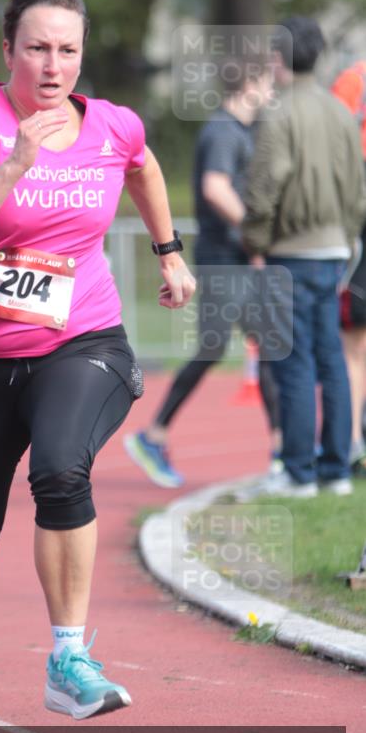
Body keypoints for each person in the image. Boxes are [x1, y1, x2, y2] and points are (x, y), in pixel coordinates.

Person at [0, 0, 196, 733]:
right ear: (7, 51)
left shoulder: (111, 124)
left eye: (66, 49)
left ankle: (68, 659)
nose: (52, 64)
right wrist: (14, 165)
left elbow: (141, 166)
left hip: (79, 339)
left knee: (61, 469)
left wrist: (167, 251)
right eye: (36, 47)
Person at [124, 58, 280, 487]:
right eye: (267, 82)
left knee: (268, 346)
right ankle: (153, 435)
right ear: (248, 83)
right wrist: (256, 234)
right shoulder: (222, 131)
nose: (272, 90)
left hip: (239, 259)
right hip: (222, 260)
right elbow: (215, 188)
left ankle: (284, 450)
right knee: (215, 349)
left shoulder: (243, 131)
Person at [241, 16, 366, 498]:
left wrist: (256, 240)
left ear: (278, 59)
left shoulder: (279, 112)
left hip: (291, 252)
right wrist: (348, 238)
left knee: (293, 362)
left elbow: (264, 186)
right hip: (335, 249)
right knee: (331, 358)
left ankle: (298, 472)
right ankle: (336, 468)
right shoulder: (341, 112)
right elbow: (357, 188)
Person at [331, 61, 366, 476]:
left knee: (354, 351)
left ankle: (353, 441)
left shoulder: (353, 77)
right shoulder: (354, 78)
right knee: (355, 347)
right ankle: (355, 440)